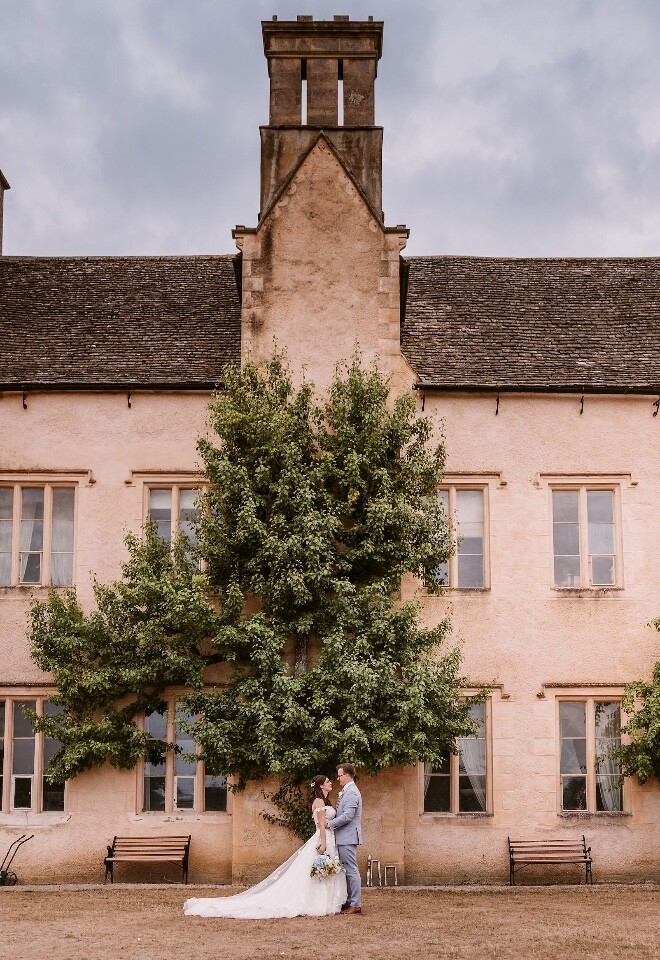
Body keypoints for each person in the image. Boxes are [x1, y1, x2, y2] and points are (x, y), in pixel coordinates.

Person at [183, 775, 347, 919]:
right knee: (318, 869)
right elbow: (321, 824)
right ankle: (317, 902)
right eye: (327, 782)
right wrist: (324, 842)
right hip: (323, 837)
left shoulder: (325, 801)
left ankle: (326, 901)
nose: (331, 783)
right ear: (320, 786)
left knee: (323, 870)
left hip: (330, 838)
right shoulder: (318, 801)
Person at [326, 763, 362, 914]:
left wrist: (329, 824)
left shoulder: (352, 792)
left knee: (351, 870)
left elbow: (348, 816)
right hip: (343, 837)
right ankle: (350, 901)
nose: (338, 778)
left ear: (347, 776)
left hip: (348, 837)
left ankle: (356, 904)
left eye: (340, 775)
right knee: (347, 870)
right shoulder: (346, 791)